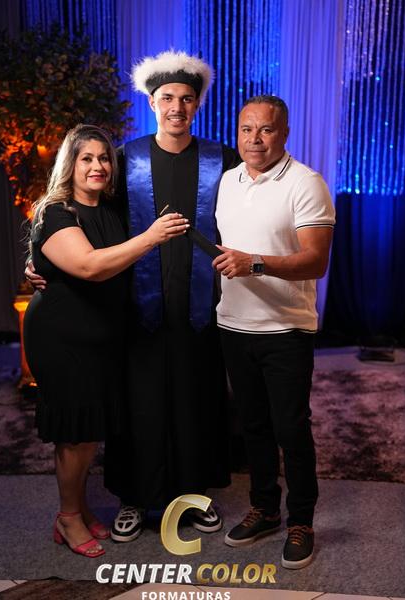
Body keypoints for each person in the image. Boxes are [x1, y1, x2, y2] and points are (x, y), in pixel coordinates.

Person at [23, 124, 188, 558]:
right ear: (70, 165)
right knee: (74, 434)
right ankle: (68, 516)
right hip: (63, 337)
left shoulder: (110, 209)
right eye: (86, 159)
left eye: (103, 158)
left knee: (89, 430)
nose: (97, 166)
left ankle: (77, 508)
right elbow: (90, 266)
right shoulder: (56, 212)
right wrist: (151, 237)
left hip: (101, 336)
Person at [103, 51, 239, 542]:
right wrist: (47, 263)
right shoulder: (126, 159)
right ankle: (133, 497)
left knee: (196, 401)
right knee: (138, 403)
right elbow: (95, 220)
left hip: (201, 305)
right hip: (138, 307)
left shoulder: (222, 159)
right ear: (152, 102)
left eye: (186, 99)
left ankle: (195, 495)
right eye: (167, 98)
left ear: (197, 104)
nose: (176, 107)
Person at [212, 95, 335, 569]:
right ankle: (264, 509)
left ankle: (301, 521)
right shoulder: (228, 181)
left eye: (265, 130)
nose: (255, 139)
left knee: (291, 428)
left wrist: (256, 263)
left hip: (285, 328)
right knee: (253, 426)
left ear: (284, 133)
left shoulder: (306, 182)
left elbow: (316, 261)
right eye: (247, 129)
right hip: (233, 324)